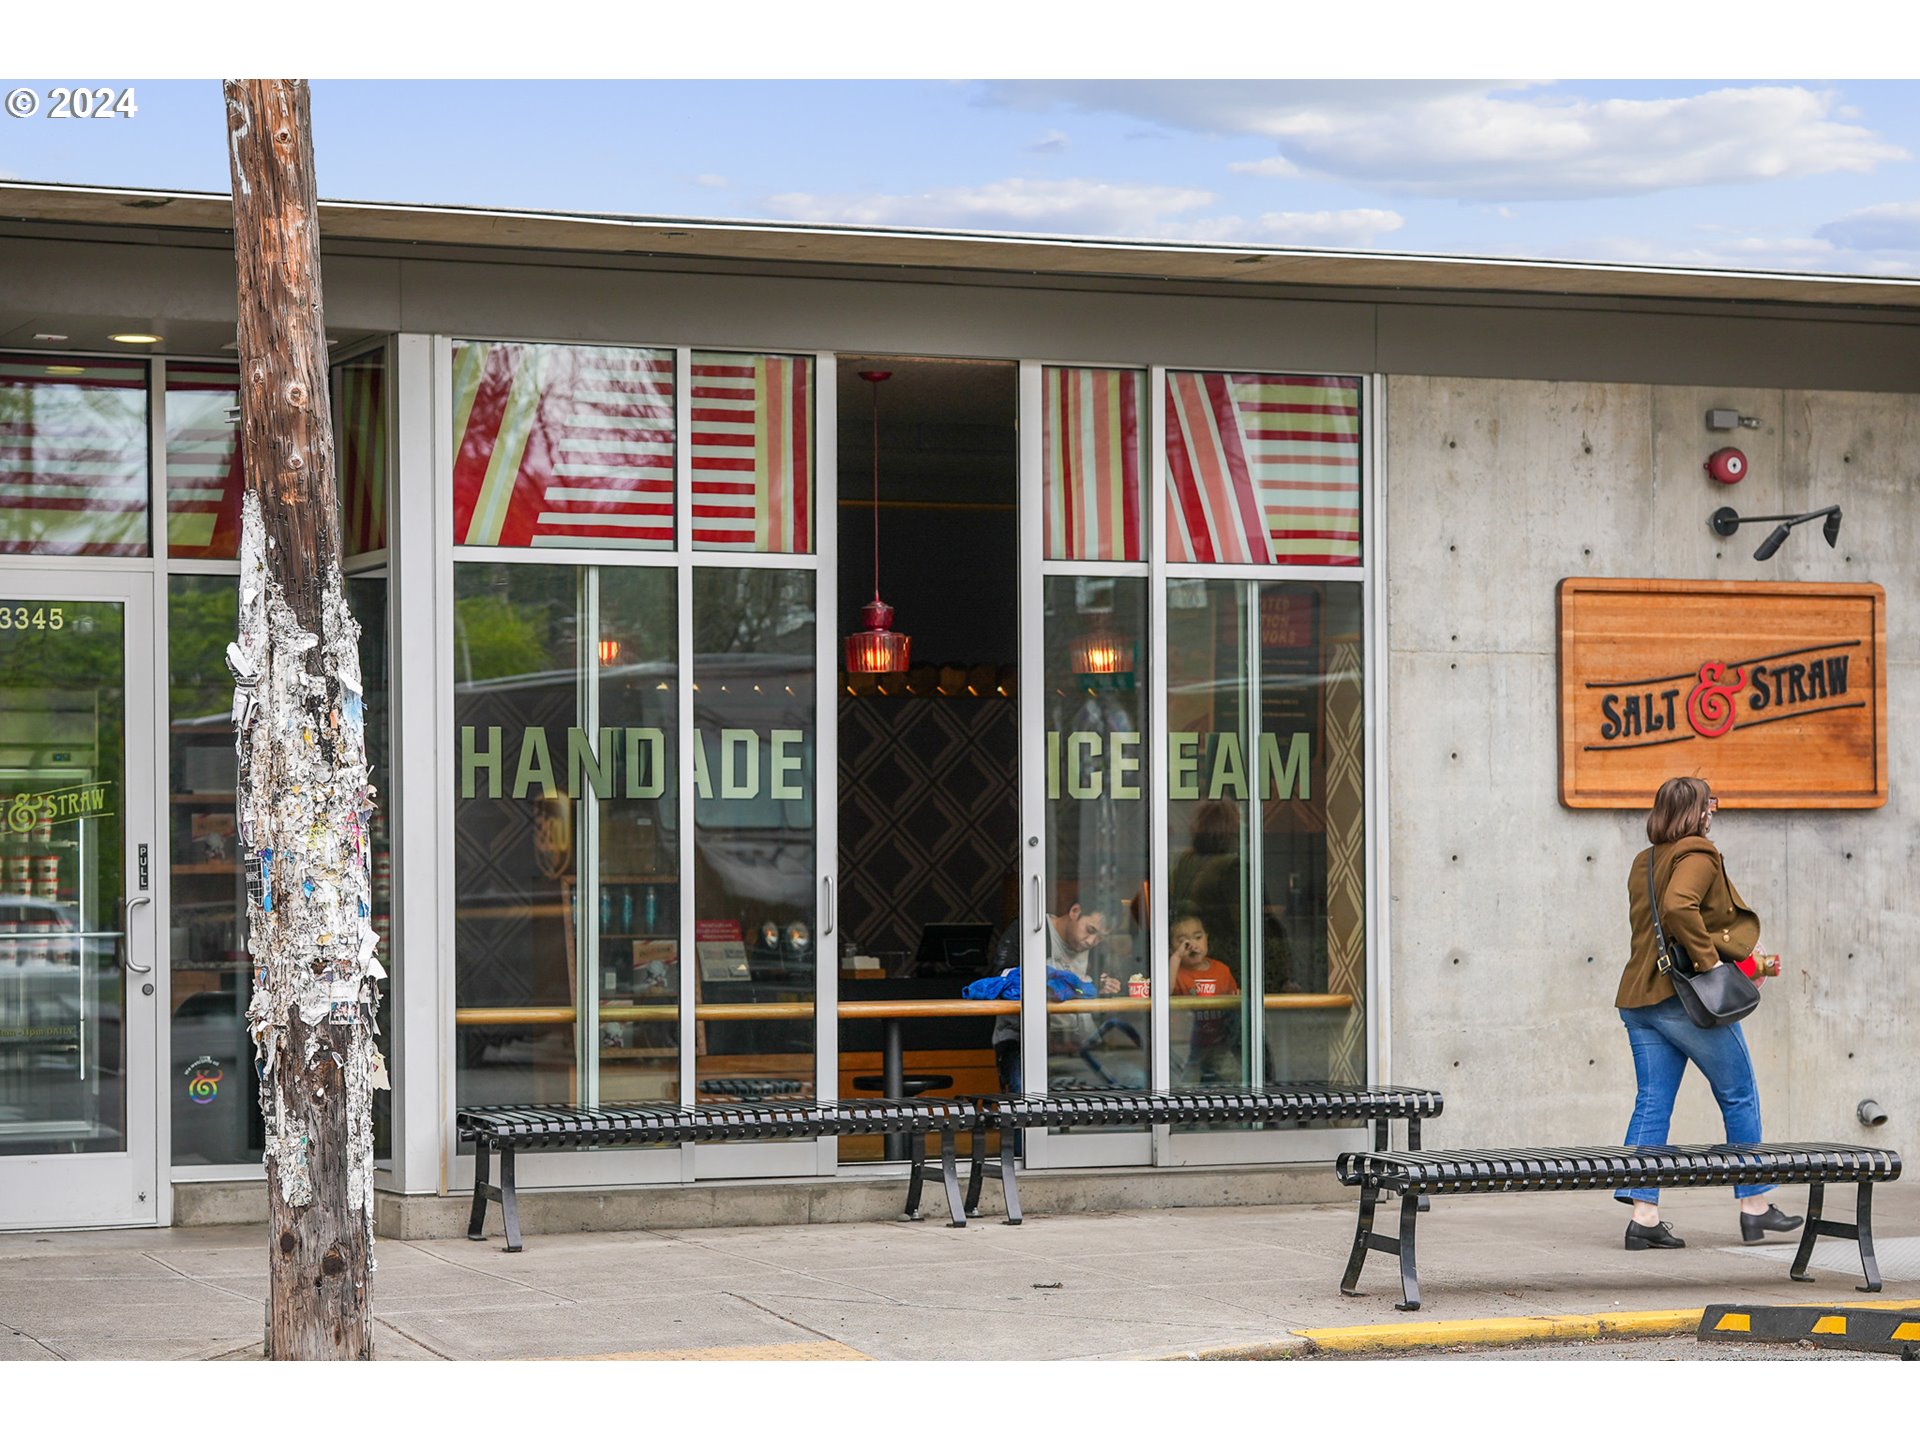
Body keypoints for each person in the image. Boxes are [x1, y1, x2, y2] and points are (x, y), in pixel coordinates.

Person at [1613, 776, 1802, 1251]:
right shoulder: (1697, 852)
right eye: (1708, 803)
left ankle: (1644, 1216)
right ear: (1694, 812)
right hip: (1684, 999)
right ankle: (1754, 1207)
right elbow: (1679, 907)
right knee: (1739, 1093)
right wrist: (1711, 963)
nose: (1713, 811)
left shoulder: (1645, 860)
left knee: (1653, 1101)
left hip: (1639, 998)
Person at [988, 899, 1122, 1092]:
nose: (1091, 941)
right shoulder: (1029, 930)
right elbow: (1000, 981)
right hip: (1024, 1042)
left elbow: (1097, 995)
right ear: (1075, 911)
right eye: (1090, 930)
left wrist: (1105, 989)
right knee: (1026, 1101)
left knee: (1116, 1091)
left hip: (1082, 1046)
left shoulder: (1096, 951)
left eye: (1100, 938)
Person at [1169, 913, 1241, 1086]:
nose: (1192, 945)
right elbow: (1165, 991)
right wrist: (1176, 959)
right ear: (1171, 948)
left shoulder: (1221, 970)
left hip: (1220, 1042)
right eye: (1183, 942)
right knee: (1186, 1083)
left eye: (1198, 937)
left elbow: (1234, 1001)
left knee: (1235, 1078)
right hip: (1187, 1045)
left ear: (1207, 939)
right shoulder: (1176, 973)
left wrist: (1236, 998)